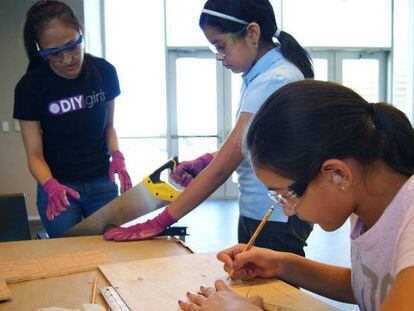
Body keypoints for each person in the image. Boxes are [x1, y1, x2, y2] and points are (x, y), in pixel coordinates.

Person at [178, 80, 414, 311]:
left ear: (337, 174)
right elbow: (369, 285)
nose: (287, 210)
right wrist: (283, 264)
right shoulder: (367, 201)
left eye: (287, 195)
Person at [104, 0, 314, 256]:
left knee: (274, 293)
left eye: (221, 46)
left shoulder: (275, 79)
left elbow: (224, 168)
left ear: (252, 33)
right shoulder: (263, 75)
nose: (220, 58)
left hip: (275, 214)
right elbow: (253, 146)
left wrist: (160, 221)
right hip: (262, 210)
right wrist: (205, 161)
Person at [13, 0, 132, 238]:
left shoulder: (104, 72)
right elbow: (34, 155)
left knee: (107, 249)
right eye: (54, 53)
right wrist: (50, 185)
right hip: (59, 188)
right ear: (40, 50)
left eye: (72, 46)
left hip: (101, 182)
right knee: (67, 254)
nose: (67, 59)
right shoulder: (30, 87)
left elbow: (108, 126)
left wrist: (117, 155)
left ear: (81, 33)